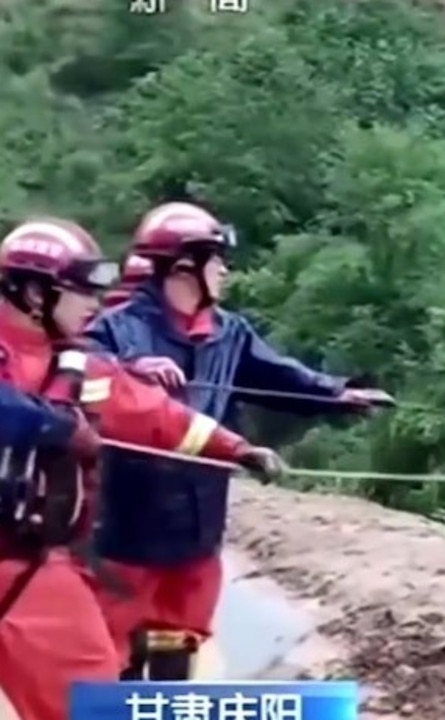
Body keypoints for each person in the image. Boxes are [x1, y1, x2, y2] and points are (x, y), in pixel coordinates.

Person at [86, 201, 394, 681]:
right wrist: (128, 370)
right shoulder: (114, 331)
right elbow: (79, 376)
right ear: (184, 266)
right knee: (115, 652)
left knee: (178, 643)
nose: (225, 270)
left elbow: (280, 377)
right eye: (216, 260)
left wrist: (339, 394)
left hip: (199, 522)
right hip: (128, 527)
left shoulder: (229, 333)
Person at [0, 218, 285, 720]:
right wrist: (59, 429)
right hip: (26, 570)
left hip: (34, 571)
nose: (95, 302)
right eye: (81, 290)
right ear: (32, 291)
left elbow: (159, 417)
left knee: (90, 705)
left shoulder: (81, 369)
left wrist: (234, 448)